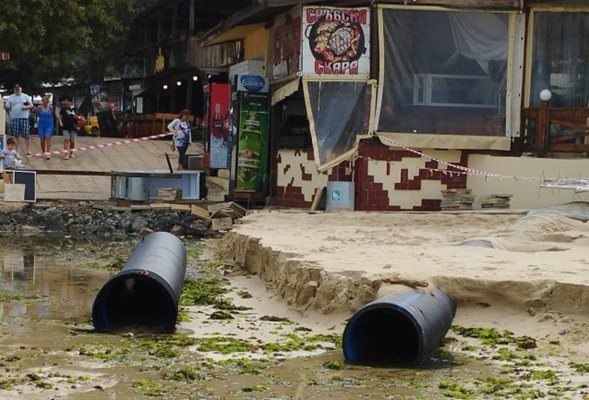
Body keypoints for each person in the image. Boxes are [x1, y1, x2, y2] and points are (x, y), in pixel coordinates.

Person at [4, 84, 34, 156]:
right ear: (14, 90)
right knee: (15, 135)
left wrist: (26, 107)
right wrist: (8, 106)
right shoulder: (11, 97)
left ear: (21, 89)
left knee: (26, 135)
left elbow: (31, 105)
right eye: (16, 89)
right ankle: (16, 150)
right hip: (14, 118)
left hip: (24, 118)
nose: (17, 90)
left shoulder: (25, 96)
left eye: (18, 89)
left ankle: (28, 150)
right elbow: (7, 106)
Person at [37, 95, 55, 160]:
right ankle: (43, 152)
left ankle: (48, 152)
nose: (45, 103)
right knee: (42, 140)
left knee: (48, 137)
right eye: (43, 101)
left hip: (49, 125)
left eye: (46, 102)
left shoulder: (51, 108)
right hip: (41, 125)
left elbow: (52, 116)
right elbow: (38, 115)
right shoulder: (39, 108)